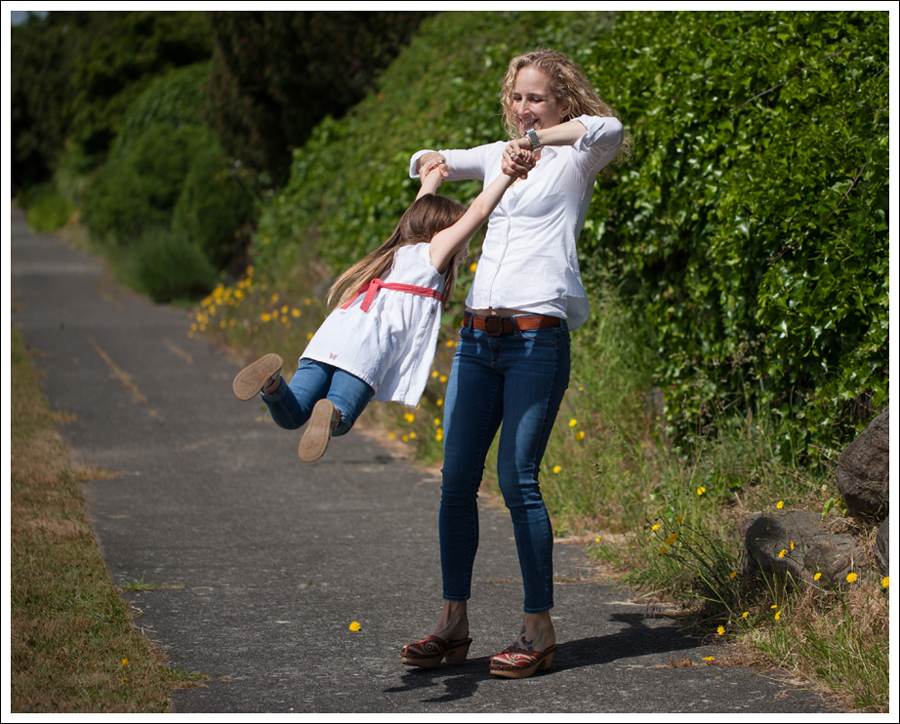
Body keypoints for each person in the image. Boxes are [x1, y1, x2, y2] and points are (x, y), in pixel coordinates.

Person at [400, 48, 626, 679]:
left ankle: (538, 629)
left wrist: (536, 142)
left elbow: (609, 127)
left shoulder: (578, 156)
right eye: (518, 98)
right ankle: (452, 624)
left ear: (562, 102)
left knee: (516, 479)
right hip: (477, 339)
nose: (525, 108)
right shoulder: (498, 153)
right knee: (454, 479)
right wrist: (432, 168)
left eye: (538, 98)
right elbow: (427, 157)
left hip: (535, 341)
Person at [232, 149, 535, 462]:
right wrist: (508, 173)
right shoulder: (433, 253)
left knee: (294, 414)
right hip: (368, 344)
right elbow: (480, 209)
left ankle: (272, 384)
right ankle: (332, 411)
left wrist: (431, 178)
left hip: (333, 333)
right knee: (340, 419)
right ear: (444, 232)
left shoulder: (399, 248)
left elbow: (420, 209)